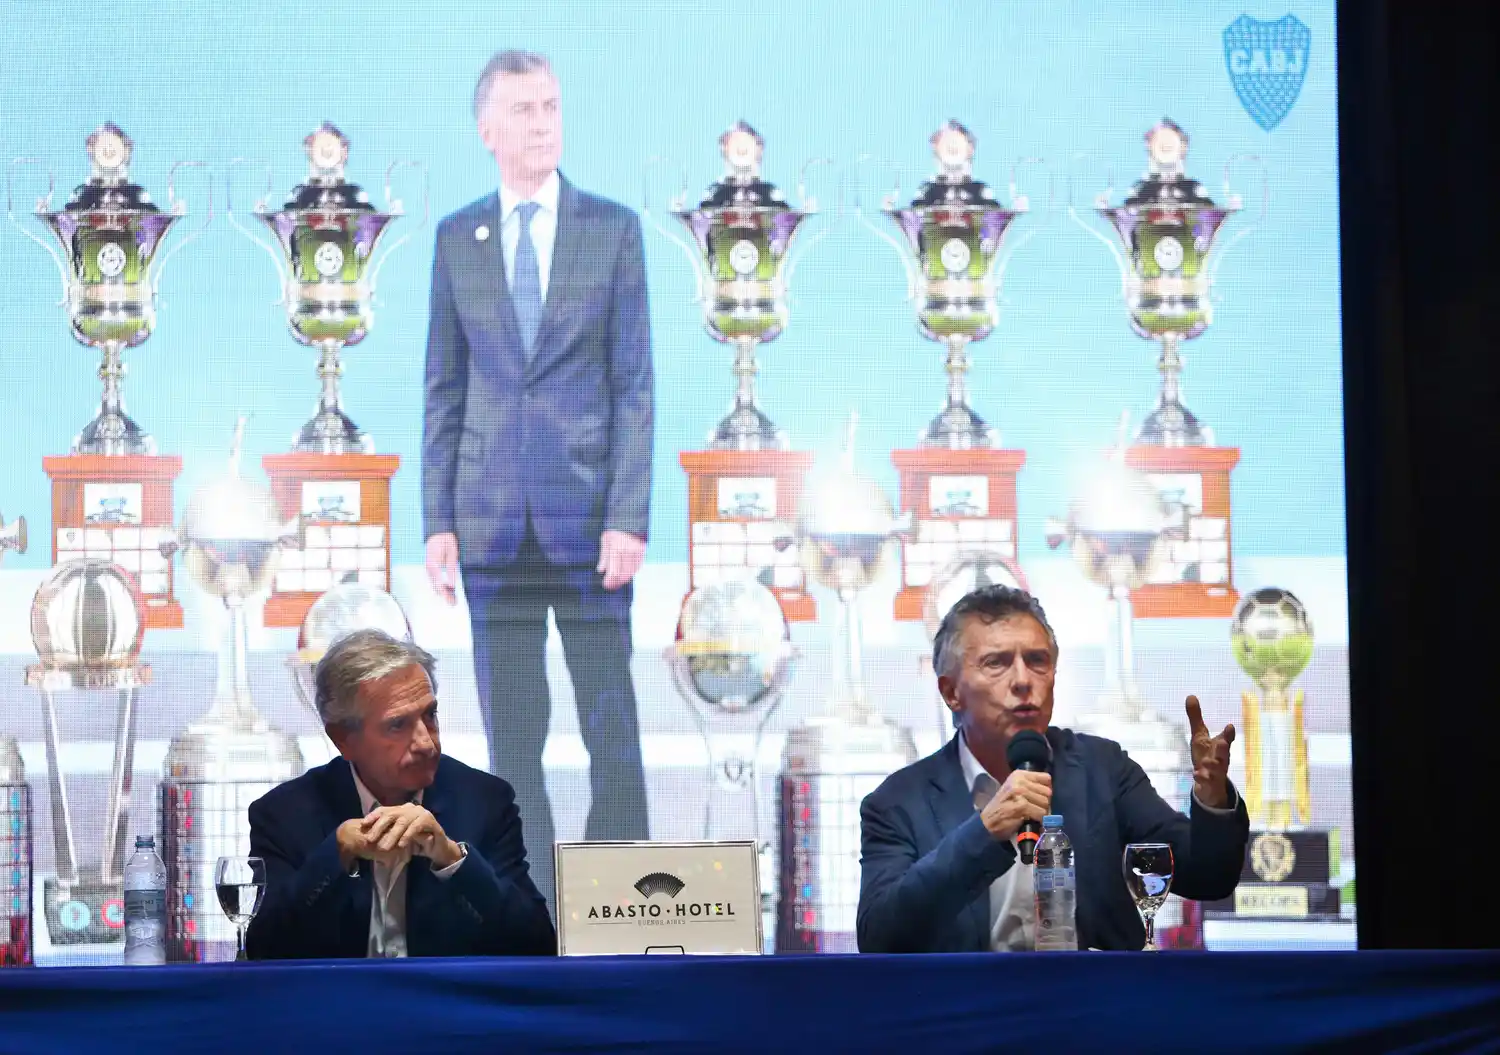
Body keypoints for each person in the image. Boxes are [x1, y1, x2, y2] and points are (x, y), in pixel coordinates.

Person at [421, 49, 654, 908]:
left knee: (611, 727)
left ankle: (623, 894)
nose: (542, 122)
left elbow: (635, 385)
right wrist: (436, 519)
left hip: (591, 523)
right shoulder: (457, 237)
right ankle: (527, 900)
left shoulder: (612, 229)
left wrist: (629, 516)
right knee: (512, 736)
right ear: (487, 129)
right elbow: (444, 384)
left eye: (551, 105)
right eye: (523, 109)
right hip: (489, 528)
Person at [857, 585, 1248, 953]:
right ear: (951, 692)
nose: (1024, 681)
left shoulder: (1103, 771)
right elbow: (880, 935)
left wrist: (1213, 799)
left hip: (1091, 1010)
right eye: (997, 663)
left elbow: (1206, 877)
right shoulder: (898, 802)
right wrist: (984, 833)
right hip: (970, 1014)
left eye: (1037, 661)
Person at [245, 629, 555, 959]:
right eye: (398, 725)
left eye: (430, 715)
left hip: (444, 1005)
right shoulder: (284, 815)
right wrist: (334, 855)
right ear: (343, 740)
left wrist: (452, 859)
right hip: (338, 1006)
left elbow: (537, 945)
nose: (426, 742)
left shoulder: (484, 802)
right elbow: (265, 950)